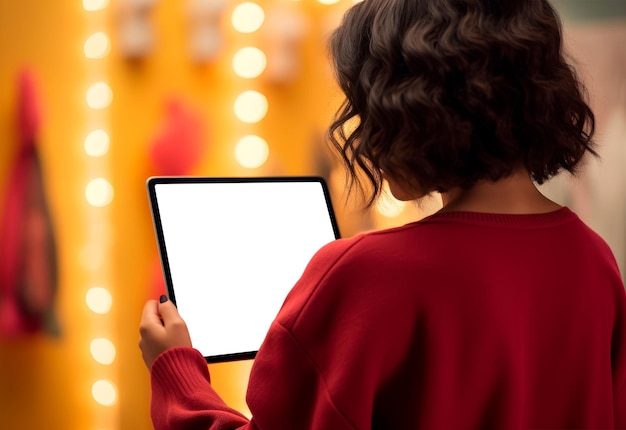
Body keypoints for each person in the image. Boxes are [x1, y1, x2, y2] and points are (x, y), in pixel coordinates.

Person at [138, 0, 626, 428]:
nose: (362, 136)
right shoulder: (594, 261)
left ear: (412, 108)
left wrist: (176, 371)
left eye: (364, 105)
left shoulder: (367, 274)